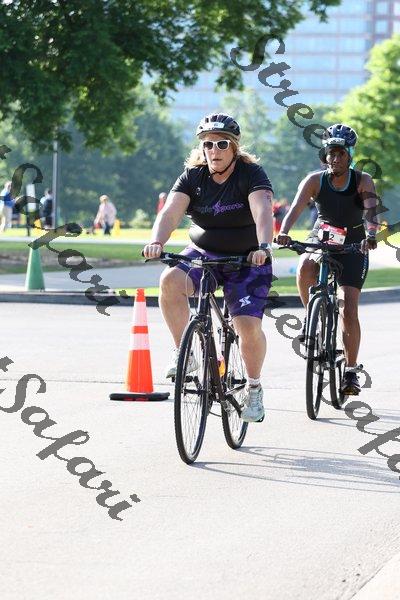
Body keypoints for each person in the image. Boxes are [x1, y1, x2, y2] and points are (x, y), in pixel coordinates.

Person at [143, 113, 274, 423]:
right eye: (207, 144)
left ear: (234, 147)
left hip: (247, 258)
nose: (214, 150)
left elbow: (262, 211)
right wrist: (156, 241)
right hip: (204, 254)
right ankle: (184, 352)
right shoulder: (192, 177)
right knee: (170, 280)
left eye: (221, 144)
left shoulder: (251, 173)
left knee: (248, 328)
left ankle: (254, 388)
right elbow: (170, 213)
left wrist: (263, 246)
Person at [276, 123, 379, 395]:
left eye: (341, 153)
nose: (335, 158)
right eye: (331, 153)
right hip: (322, 236)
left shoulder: (362, 180)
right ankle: (311, 317)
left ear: (350, 155)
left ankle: (350, 372)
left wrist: (370, 235)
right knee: (305, 265)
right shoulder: (314, 180)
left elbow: (371, 212)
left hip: (354, 244)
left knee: (348, 308)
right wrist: (284, 232)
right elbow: (295, 208)